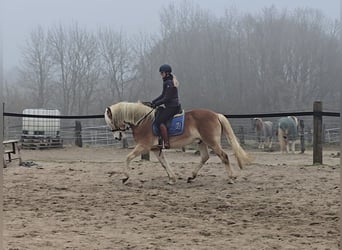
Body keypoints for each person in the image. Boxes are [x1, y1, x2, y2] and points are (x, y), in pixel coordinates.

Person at [151, 64, 181, 149]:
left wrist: (156, 104)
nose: (161, 75)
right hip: (171, 106)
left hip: (172, 106)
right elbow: (162, 95)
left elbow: (167, 98)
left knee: (159, 121)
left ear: (167, 73)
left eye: (162, 73)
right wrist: (153, 102)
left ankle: (166, 142)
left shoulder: (169, 83)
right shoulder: (167, 81)